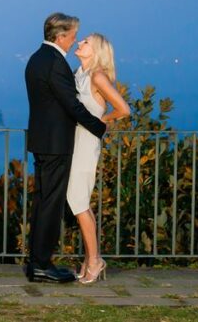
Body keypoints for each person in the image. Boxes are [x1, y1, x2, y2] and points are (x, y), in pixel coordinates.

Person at [24, 12, 107, 283]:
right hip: (56, 144)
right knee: (50, 204)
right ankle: (42, 264)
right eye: (73, 35)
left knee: (42, 201)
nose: (74, 40)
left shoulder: (37, 59)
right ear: (61, 36)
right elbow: (70, 104)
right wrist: (99, 127)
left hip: (42, 140)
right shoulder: (55, 62)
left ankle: (36, 261)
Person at [68, 33, 130, 284]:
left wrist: (99, 122)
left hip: (85, 144)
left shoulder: (97, 76)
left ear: (95, 51)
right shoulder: (79, 73)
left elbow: (124, 110)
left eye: (85, 42)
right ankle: (91, 258)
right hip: (74, 142)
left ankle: (94, 260)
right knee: (80, 201)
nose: (79, 42)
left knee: (77, 201)